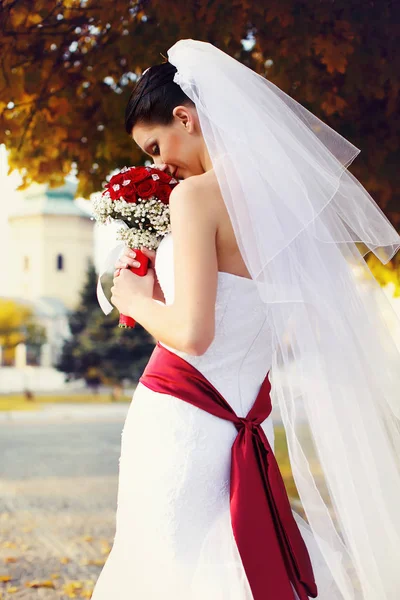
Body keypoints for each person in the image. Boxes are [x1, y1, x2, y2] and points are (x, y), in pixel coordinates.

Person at [92, 40, 400, 599]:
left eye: (157, 146)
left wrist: (134, 298)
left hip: (181, 418)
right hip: (239, 418)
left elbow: (194, 333)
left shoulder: (195, 200)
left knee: (166, 564)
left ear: (185, 116)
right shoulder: (283, 201)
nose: (159, 165)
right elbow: (240, 306)